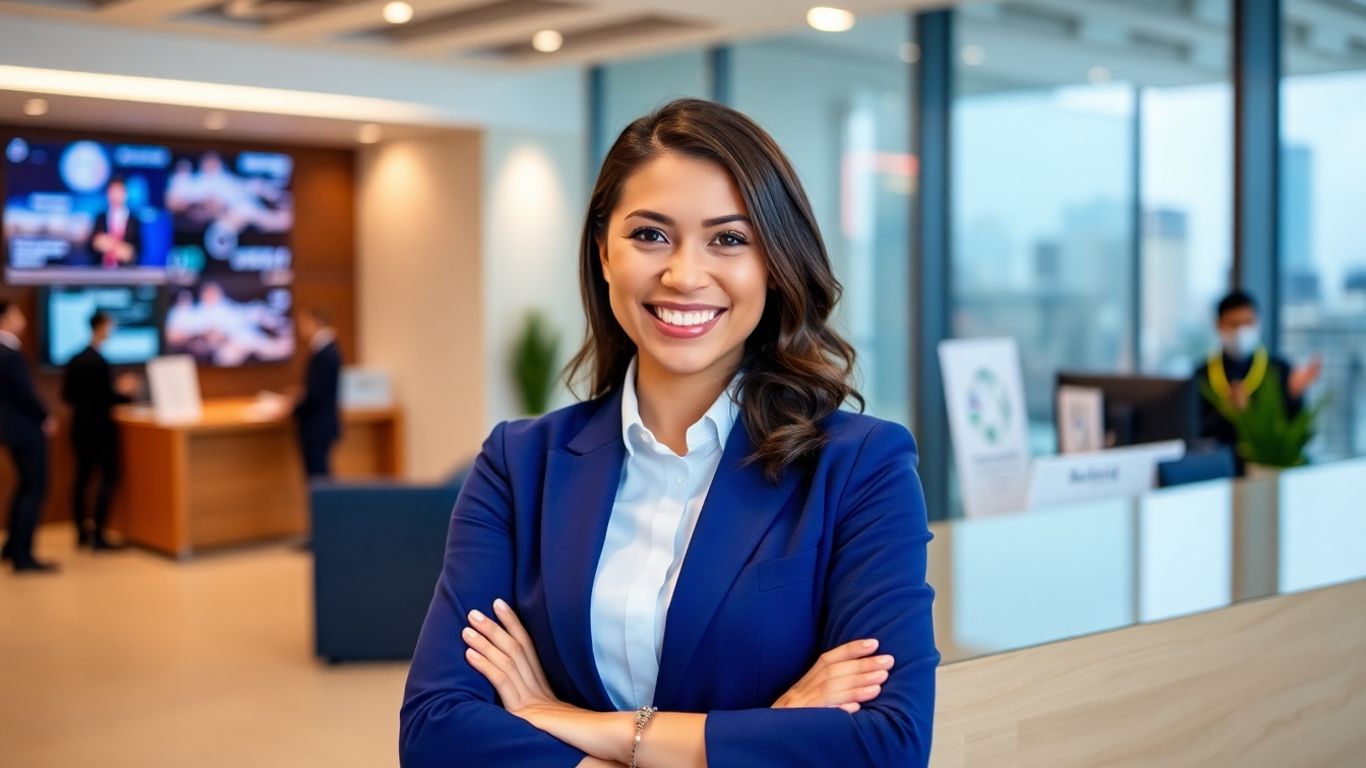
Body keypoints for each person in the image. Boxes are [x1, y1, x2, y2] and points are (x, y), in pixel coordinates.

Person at [401, 99, 937, 767]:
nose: (683, 275)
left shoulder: (862, 467)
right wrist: (750, 737)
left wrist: (587, 727)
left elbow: (887, 746)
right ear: (603, 253)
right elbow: (435, 731)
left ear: (774, 263)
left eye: (729, 239)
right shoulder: (519, 464)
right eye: (650, 234)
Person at [1193, 290, 1321, 466]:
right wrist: (1226, 411)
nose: (1241, 331)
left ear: (1258, 322)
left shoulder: (1279, 369)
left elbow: (1295, 430)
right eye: (1233, 324)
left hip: (1267, 466)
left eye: (1248, 322)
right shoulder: (1202, 374)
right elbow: (1195, 431)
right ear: (1219, 325)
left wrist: (1295, 395)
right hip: (1219, 466)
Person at [61, 311, 139, 550]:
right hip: (101, 429)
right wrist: (124, 393)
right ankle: (100, 534)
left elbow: (67, 396)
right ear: (101, 327)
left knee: (82, 478)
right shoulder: (99, 362)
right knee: (109, 477)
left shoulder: (75, 359)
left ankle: (81, 533)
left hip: (79, 427)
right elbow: (107, 398)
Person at [0, 301, 59, 573]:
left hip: (12, 430)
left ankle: (13, 547)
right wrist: (45, 416)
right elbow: (25, 393)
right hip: (25, 430)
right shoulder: (9, 352)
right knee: (34, 487)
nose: (21, 318)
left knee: (25, 486)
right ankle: (23, 556)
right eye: (17, 314)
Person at [293, 307, 341, 478]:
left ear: (315, 323)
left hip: (317, 427)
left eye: (304, 323)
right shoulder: (325, 350)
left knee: (319, 477)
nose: (301, 329)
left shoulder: (325, 353)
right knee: (319, 475)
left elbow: (316, 394)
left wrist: (292, 408)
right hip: (319, 426)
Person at [88, 176, 141, 268]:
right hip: (101, 269)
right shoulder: (100, 218)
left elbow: (138, 249)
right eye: (113, 191)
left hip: (126, 271)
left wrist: (126, 252)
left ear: (125, 193)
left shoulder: (134, 219)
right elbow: (91, 246)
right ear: (108, 194)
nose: (116, 196)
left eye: (119, 191)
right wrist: (98, 244)